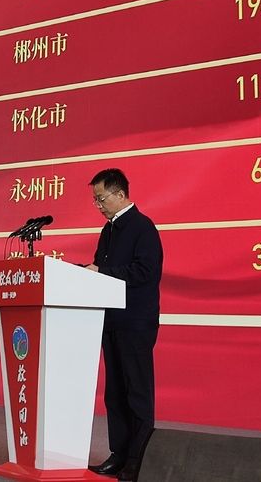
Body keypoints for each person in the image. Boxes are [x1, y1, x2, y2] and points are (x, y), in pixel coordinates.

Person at [85, 168, 163, 481]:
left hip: (135, 322)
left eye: (101, 199)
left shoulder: (143, 227)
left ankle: (138, 458)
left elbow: (145, 271)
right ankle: (118, 454)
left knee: (137, 392)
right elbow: (100, 268)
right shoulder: (108, 231)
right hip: (111, 320)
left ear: (120, 194)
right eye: (95, 200)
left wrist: (101, 272)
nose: (98, 205)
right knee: (115, 392)